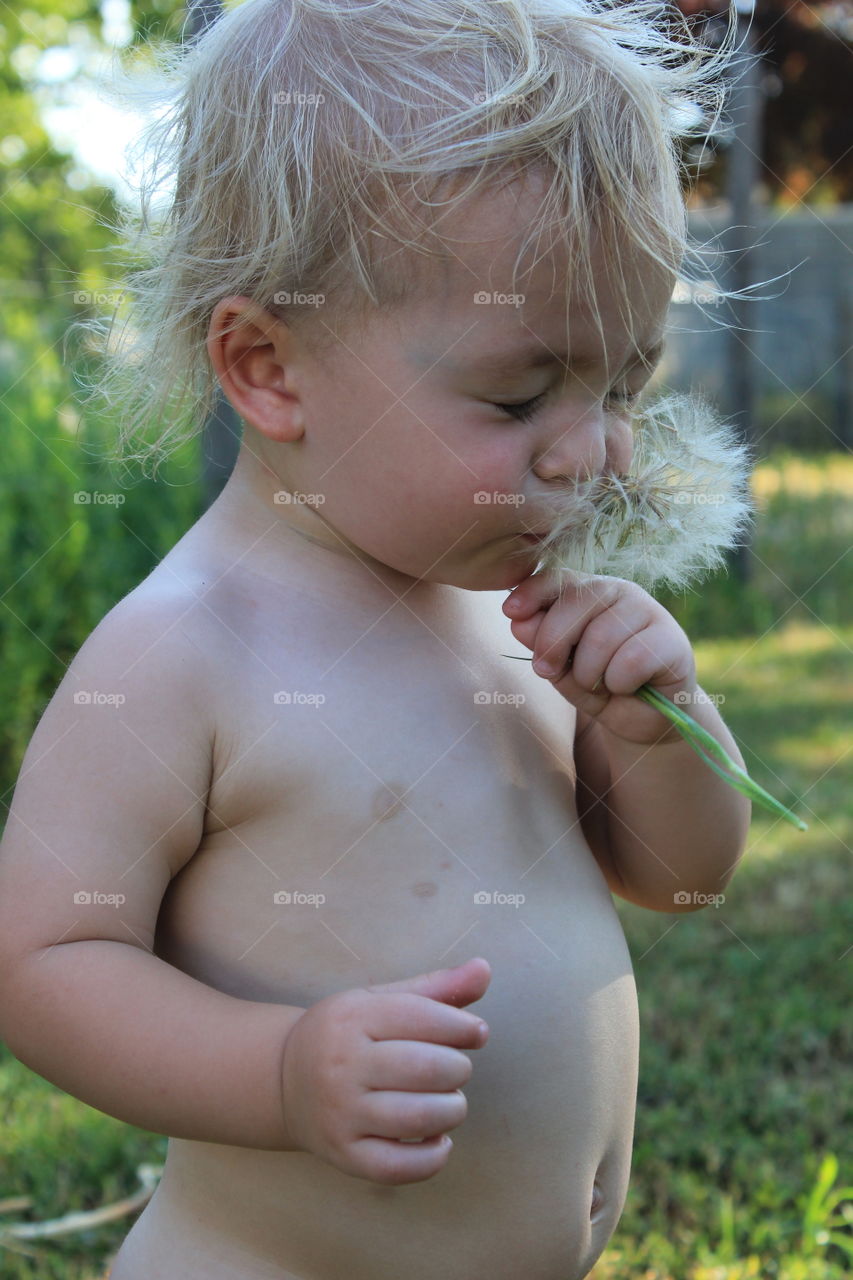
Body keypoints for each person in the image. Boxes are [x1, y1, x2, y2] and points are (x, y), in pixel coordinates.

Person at [0, 2, 750, 1277]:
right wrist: (280, 1073)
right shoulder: (186, 650)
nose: (594, 450)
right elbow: (41, 957)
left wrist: (656, 724)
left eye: (622, 382)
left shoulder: (505, 598)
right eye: (519, 394)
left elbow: (679, 874)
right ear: (268, 367)